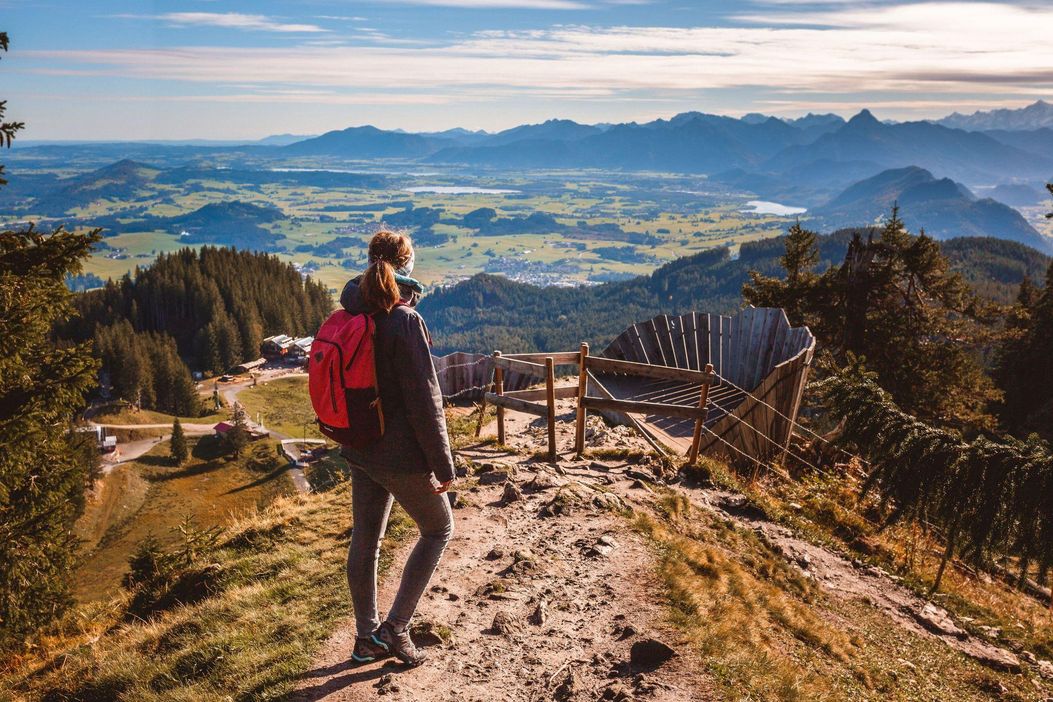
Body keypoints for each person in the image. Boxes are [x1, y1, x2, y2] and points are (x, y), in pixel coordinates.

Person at [339, 230, 456, 667]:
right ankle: (396, 627)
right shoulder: (405, 320)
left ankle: (366, 637)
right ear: (405, 266)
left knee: (366, 539)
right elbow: (426, 403)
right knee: (438, 529)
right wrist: (444, 465)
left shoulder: (353, 309)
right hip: (399, 455)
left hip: (360, 447)